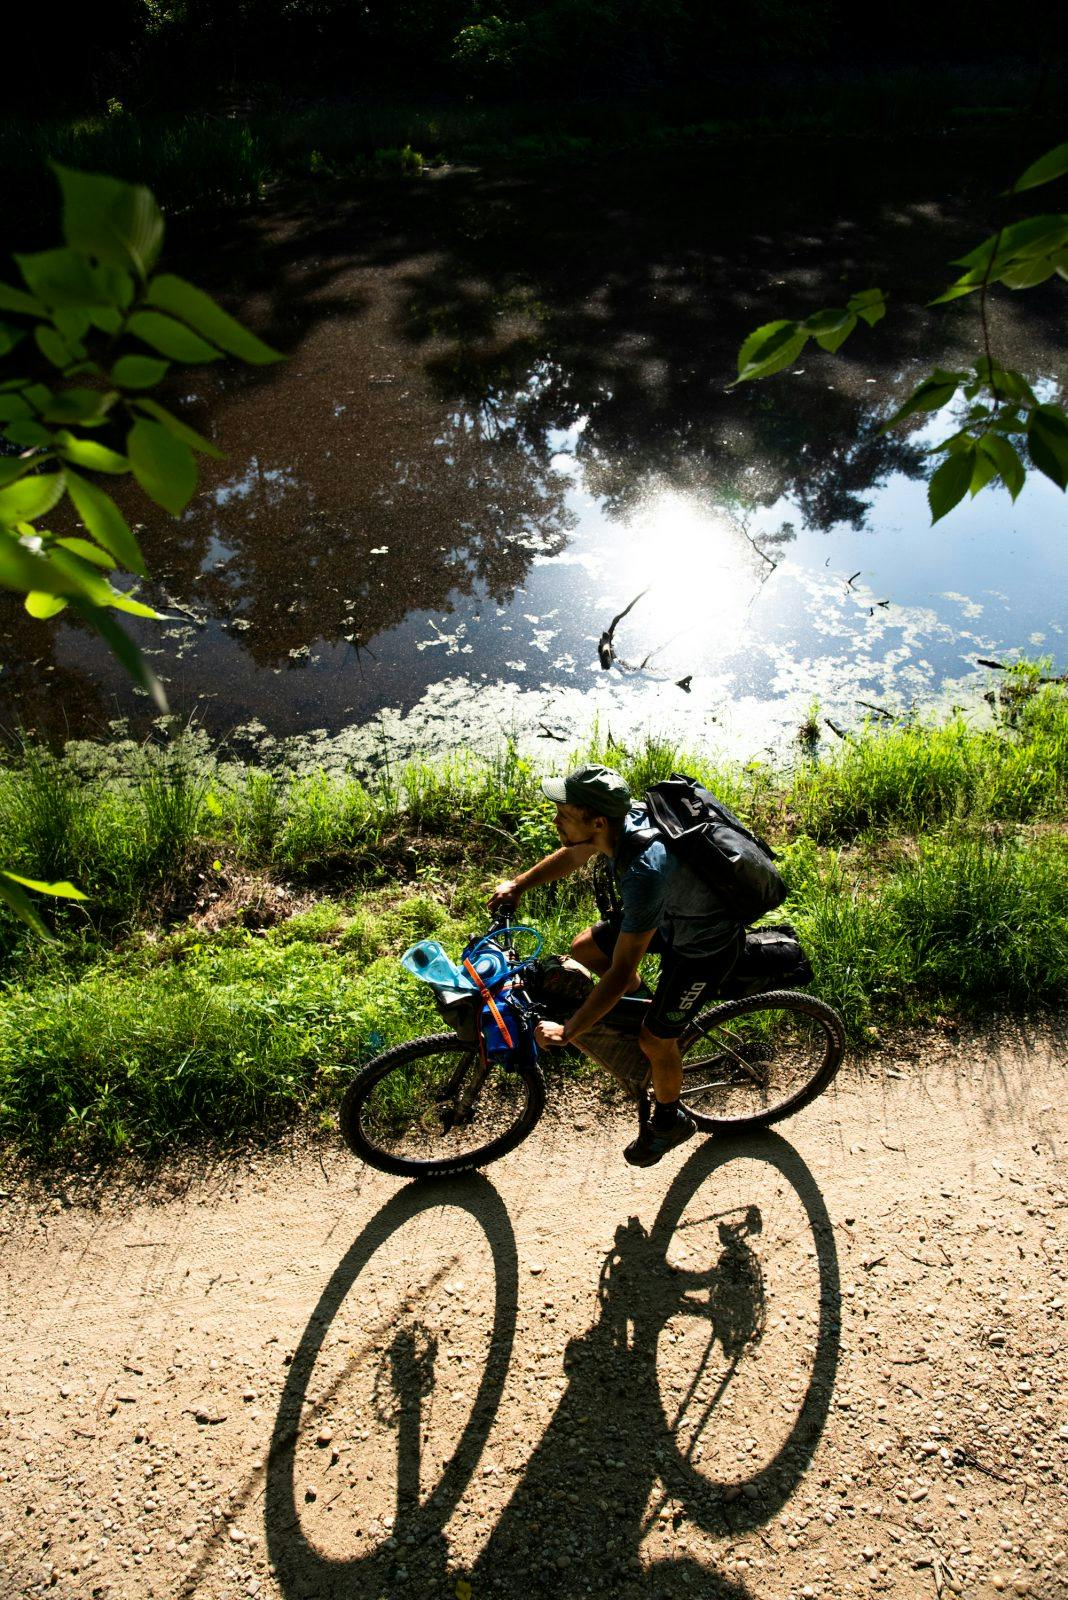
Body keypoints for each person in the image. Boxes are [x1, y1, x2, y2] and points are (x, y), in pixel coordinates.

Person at [488, 763, 745, 1166]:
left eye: (564, 815)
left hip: (703, 943)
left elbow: (622, 971)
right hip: (670, 915)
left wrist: (569, 1030)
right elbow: (574, 854)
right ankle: (642, 1017)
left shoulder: (643, 872)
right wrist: (518, 884)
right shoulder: (619, 824)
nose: (556, 820)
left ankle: (669, 1121)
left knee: (655, 1040)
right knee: (586, 948)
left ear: (597, 821)